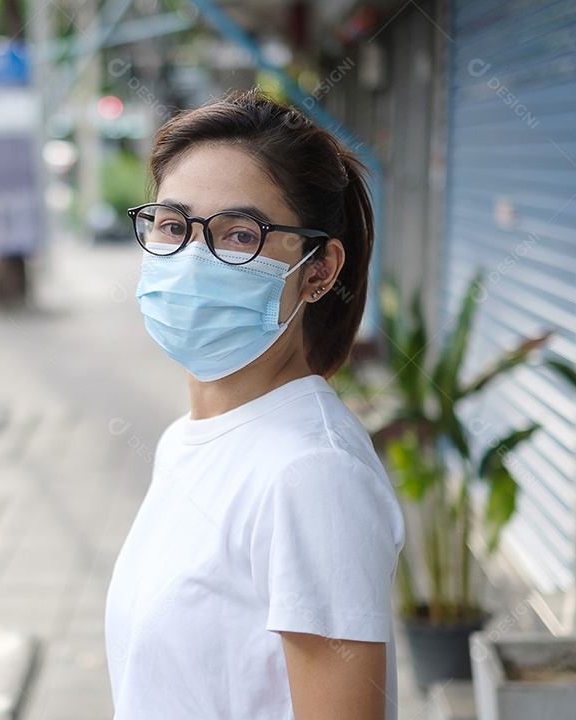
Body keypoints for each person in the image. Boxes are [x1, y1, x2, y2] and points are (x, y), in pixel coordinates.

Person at [104, 88, 405, 720]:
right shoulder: (187, 437)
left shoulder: (312, 474)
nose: (191, 258)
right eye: (171, 224)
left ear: (318, 270)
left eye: (241, 235)